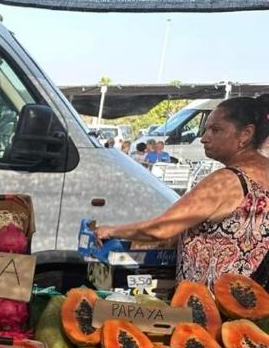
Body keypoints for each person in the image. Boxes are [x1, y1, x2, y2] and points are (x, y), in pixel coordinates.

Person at [95, 95, 269, 286]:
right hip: (254, 301)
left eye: (215, 130)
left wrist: (111, 230)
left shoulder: (226, 181)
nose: (204, 138)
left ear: (245, 134)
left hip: (211, 305)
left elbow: (162, 228)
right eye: (205, 130)